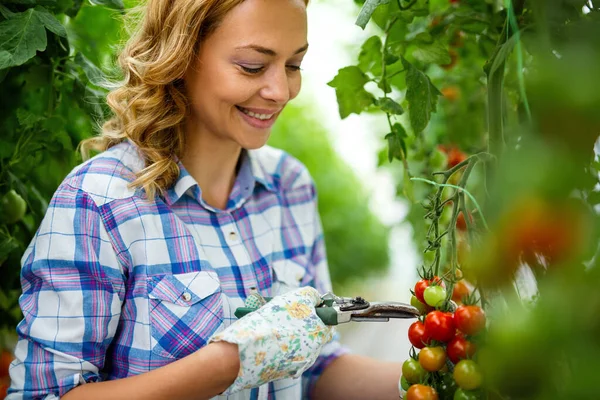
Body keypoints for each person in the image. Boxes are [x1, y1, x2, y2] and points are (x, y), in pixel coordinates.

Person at [7, 0, 403, 398]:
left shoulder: (290, 186)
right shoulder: (99, 201)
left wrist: (423, 381)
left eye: (293, 65)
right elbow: (46, 394)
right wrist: (231, 362)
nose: (280, 91)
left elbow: (312, 369)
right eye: (252, 65)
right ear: (181, 55)